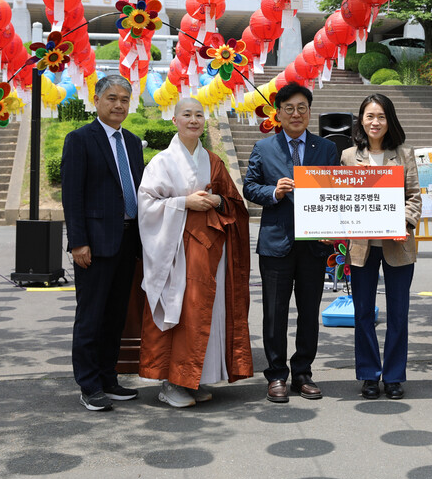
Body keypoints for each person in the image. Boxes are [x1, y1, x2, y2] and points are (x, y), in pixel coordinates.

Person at [137, 98, 253, 408]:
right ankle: (171, 381)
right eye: (186, 114)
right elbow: (147, 205)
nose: (193, 120)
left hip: (211, 249)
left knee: (206, 313)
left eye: (199, 115)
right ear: (174, 120)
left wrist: (216, 203)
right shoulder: (161, 162)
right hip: (176, 252)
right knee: (183, 311)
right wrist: (183, 203)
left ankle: (195, 377)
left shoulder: (213, 160)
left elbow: (233, 203)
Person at [243, 83, 339, 403]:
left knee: (309, 311)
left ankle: (302, 372)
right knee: (274, 312)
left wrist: (334, 227)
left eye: (302, 108)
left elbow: (334, 193)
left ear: (309, 112)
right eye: (289, 108)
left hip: (314, 244)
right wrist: (274, 192)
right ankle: (276, 375)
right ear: (278, 113)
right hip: (276, 243)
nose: (296, 114)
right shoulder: (264, 148)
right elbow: (250, 188)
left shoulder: (325, 149)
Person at [61, 75, 145, 412]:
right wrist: (78, 242)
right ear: (96, 100)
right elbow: (72, 196)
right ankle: (89, 384)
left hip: (128, 240)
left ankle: (109, 378)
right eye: (112, 98)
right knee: (91, 316)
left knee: (116, 316)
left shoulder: (134, 142)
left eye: (125, 99)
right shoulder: (80, 139)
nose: (119, 105)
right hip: (94, 245)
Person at [340, 94, 421, 400]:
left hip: (397, 244)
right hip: (362, 246)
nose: (375, 122)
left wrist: (404, 221)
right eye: (370, 116)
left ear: (390, 121)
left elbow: (414, 196)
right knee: (362, 313)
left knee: (398, 313)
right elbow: (343, 198)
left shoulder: (404, 153)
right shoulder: (348, 156)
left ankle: (395, 375)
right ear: (361, 119)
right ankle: (369, 374)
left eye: (381, 117)